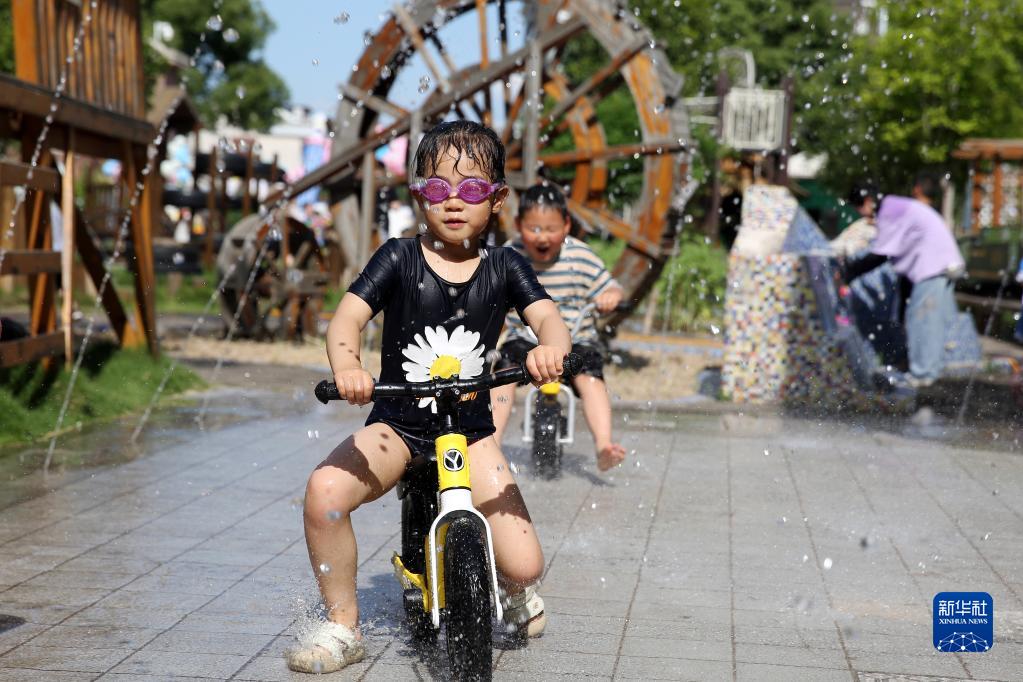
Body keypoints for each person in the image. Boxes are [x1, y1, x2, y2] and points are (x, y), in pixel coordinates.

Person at [286, 121, 571, 674]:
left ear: (498, 199)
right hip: (397, 423)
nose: (455, 202)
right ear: (419, 194)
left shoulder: (506, 266)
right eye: (439, 189)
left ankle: (510, 591)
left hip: (470, 429)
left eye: (472, 189)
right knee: (324, 493)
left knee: (526, 564)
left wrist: (550, 350)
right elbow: (347, 317)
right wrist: (349, 365)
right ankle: (343, 624)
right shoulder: (398, 257)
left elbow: (548, 320)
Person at [490, 183, 627, 472]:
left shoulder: (580, 257)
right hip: (525, 338)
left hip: (577, 338)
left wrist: (610, 296)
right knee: (502, 376)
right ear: (517, 225)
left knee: (591, 379)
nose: (542, 237)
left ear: (566, 225)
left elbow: (611, 286)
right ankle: (491, 445)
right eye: (534, 229)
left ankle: (603, 444)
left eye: (551, 229)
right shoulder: (509, 257)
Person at [841, 172, 965, 387]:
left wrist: (847, 273)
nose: (862, 215)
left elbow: (881, 255)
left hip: (932, 266)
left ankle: (921, 377)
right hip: (943, 263)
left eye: (859, 208)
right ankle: (928, 376)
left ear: (868, 201)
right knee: (929, 322)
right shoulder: (896, 205)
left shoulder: (889, 209)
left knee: (922, 322)